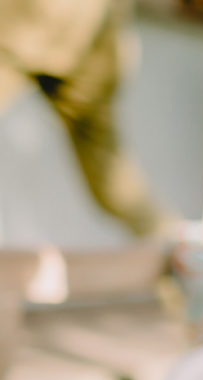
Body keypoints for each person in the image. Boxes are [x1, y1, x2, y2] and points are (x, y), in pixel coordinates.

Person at [0, 0, 166, 237]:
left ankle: (179, 249)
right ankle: (180, 246)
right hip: (96, 22)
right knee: (109, 169)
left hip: (25, 19)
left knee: (109, 169)